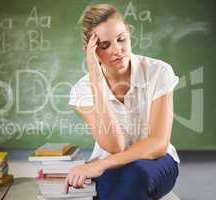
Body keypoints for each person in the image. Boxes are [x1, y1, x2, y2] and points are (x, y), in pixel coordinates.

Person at [66, 4, 180, 200]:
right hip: (112, 167)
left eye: (121, 39)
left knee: (136, 174)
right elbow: (115, 145)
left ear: (128, 33)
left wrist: (100, 165)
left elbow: (158, 143)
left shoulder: (159, 72)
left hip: (156, 162)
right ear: (91, 50)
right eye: (105, 45)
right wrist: (96, 78)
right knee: (123, 187)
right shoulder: (82, 90)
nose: (117, 50)